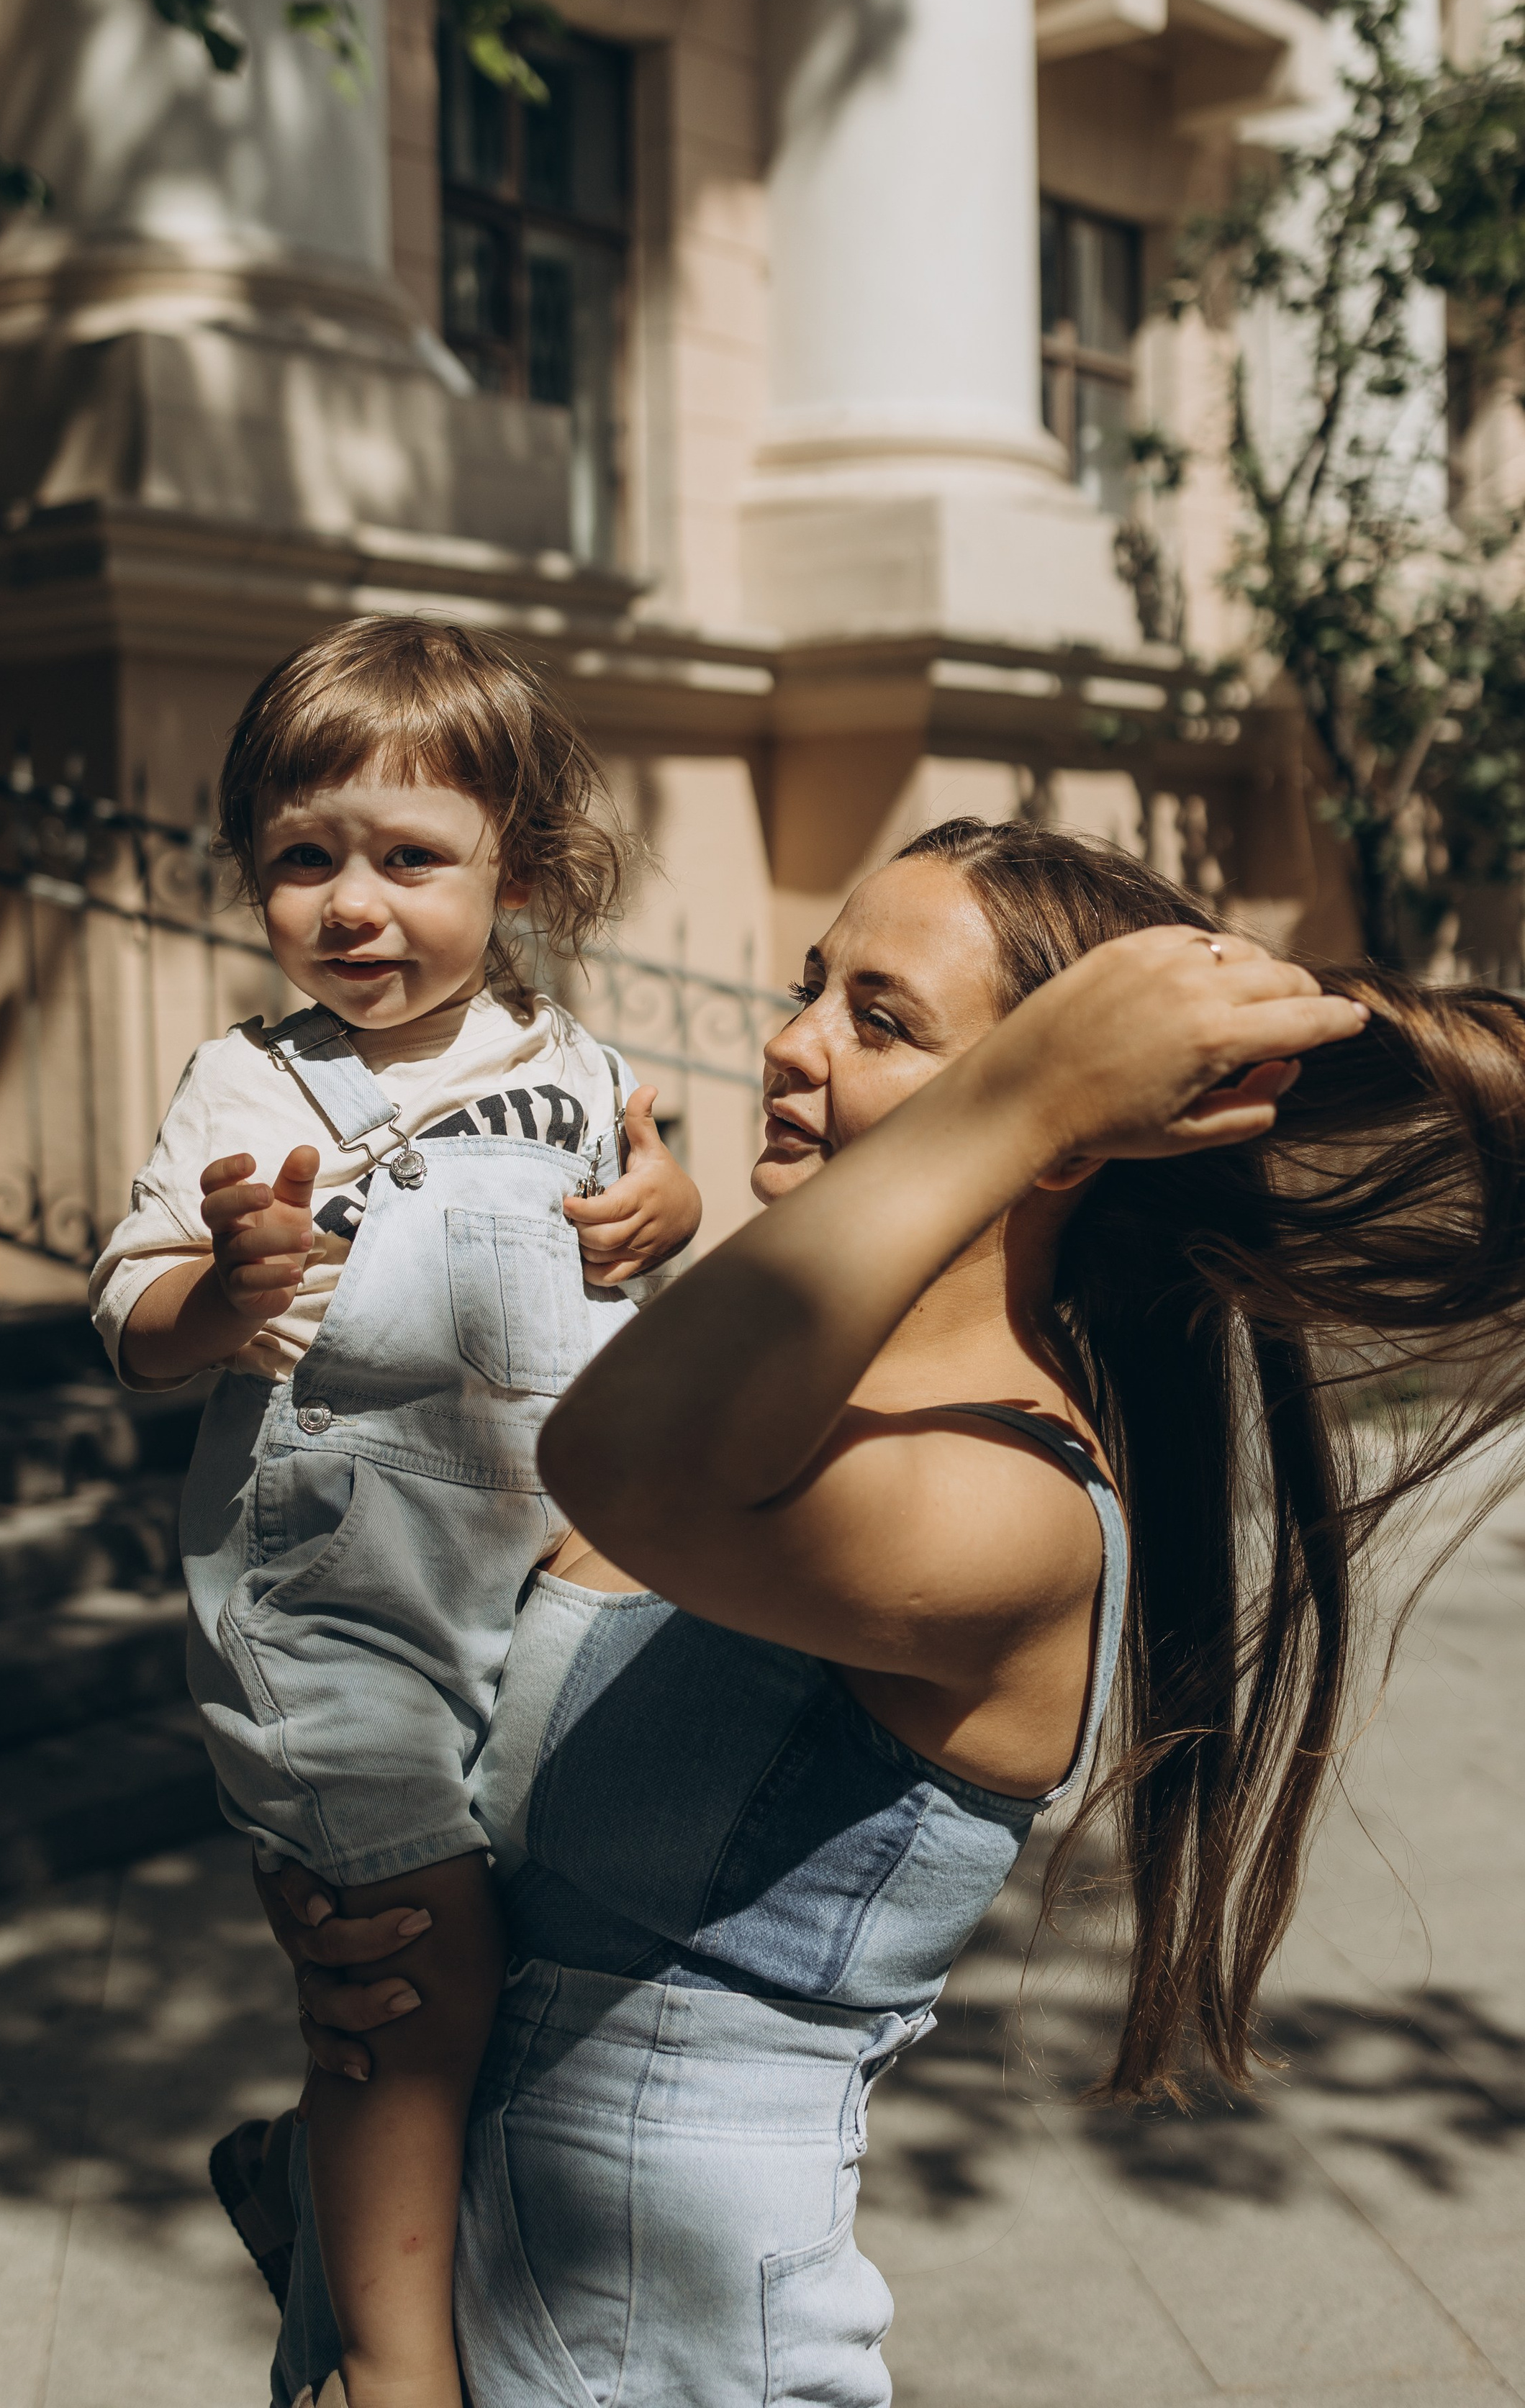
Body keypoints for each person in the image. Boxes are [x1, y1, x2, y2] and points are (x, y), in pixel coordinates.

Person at [265, 818, 1525, 2407]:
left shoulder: (1007, 1509)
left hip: (657, 2350)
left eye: (880, 1019)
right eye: (811, 987)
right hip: (460, 2302)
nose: (789, 1046)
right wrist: (374, 1923)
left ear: (1063, 1132)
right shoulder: (773, 1406)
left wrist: (1026, 1094)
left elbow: (618, 1461)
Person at [89, 617, 702, 2408]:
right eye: (302, 858)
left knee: (503, 1984)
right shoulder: (253, 1081)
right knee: (406, 1991)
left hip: (530, 1603)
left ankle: (304, 2180)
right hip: (327, 1612)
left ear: (516, 867)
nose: (351, 903)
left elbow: (627, 1300)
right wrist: (221, 1290)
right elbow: (128, 1316)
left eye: (406, 857)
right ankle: (390, 2369)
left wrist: (664, 1223)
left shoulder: (581, 1073)